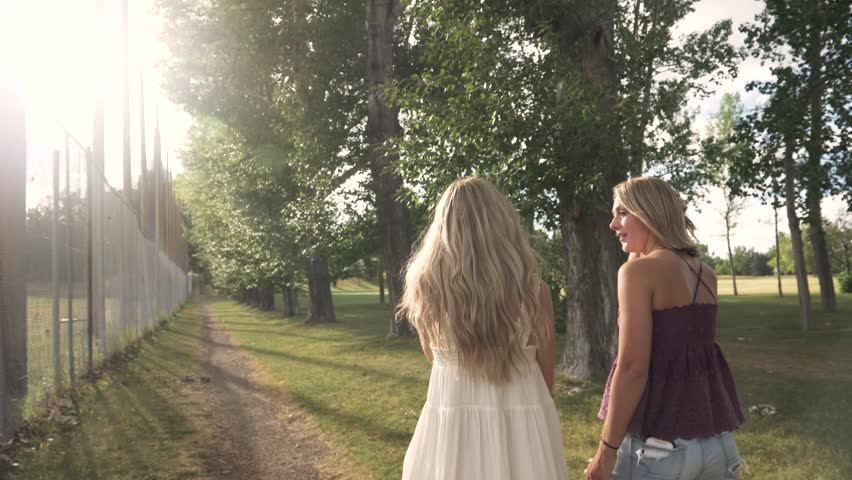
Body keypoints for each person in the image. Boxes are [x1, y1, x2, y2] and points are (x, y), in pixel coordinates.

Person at [399, 177, 569, 480]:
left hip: (452, 431)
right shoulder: (534, 291)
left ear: (443, 227)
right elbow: (547, 377)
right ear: (502, 222)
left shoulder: (426, 289)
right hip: (524, 430)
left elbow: (432, 356)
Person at [586, 177, 746, 480]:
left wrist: (606, 452)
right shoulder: (705, 273)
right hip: (717, 447)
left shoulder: (637, 273)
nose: (612, 224)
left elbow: (633, 368)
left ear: (648, 213)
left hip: (659, 452)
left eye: (622, 213)